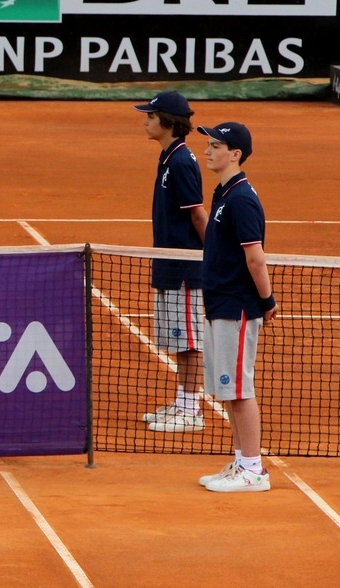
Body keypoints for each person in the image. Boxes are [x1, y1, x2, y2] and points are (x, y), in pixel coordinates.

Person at [196, 121, 277, 493]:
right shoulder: (225, 193)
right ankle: (242, 461)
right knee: (228, 390)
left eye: (215, 145)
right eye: (209, 144)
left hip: (237, 307)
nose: (208, 151)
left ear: (235, 155)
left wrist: (266, 301)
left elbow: (256, 259)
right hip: (219, 305)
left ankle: (253, 470)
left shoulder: (242, 199)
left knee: (240, 390)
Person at [134, 91, 207, 434]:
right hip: (168, 265)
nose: (145, 120)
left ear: (167, 122)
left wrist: (216, 256)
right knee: (178, 339)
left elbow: (197, 215)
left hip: (186, 269)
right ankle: (181, 401)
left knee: (189, 342)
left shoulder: (181, 161)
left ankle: (192, 410)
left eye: (150, 115)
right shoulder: (168, 157)